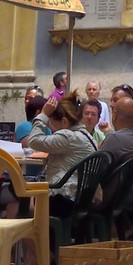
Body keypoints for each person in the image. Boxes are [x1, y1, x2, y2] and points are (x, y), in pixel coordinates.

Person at [39, 94, 98, 222]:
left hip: (66, 200)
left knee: (25, 203)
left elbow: (34, 141)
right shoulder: (86, 136)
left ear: (64, 122)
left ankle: (40, 240)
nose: (52, 130)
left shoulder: (68, 136)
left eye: (53, 124)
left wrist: (43, 114)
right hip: (82, 199)